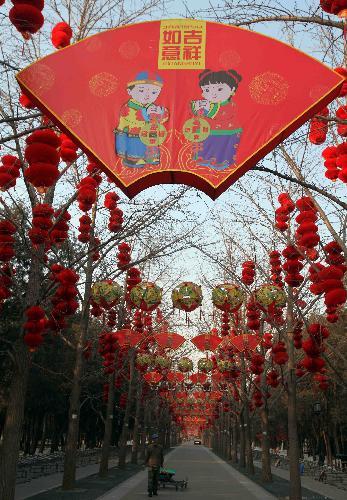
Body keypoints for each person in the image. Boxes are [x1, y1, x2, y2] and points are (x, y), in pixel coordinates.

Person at [190, 68, 242, 170]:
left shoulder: (229, 105)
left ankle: (221, 161)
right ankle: (204, 158)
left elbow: (225, 115)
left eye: (219, 89)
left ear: (232, 90)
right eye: (207, 90)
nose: (213, 93)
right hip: (208, 131)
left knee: (221, 147)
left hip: (226, 132)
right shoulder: (206, 104)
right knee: (205, 141)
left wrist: (208, 112)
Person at [115, 71, 169, 167]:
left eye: (154, 92)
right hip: (132, 135)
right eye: (141, 90)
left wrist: (161, 112)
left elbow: (163, 119)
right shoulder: (128, 106)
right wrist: (145, 113)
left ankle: (151, 159)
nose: (147, 95)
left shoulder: (152, 106)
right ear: (129, 91)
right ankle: (134, 160)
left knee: (150, 147)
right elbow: (130, 119)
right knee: (135, 151)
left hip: (149, 137)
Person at [145, 433, 164, 497]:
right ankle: (153, 491)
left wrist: (146, 463)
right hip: (155, 465)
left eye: (156, 438)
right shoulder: (159, 447)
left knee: (153, 479)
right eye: (155, 438)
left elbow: (147, 456)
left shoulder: (150, 447)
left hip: (152, 465)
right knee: (155, 479)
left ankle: (152, 492)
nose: (156, 440)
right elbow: (162, 457)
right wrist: (161, 464)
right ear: (153, 439)